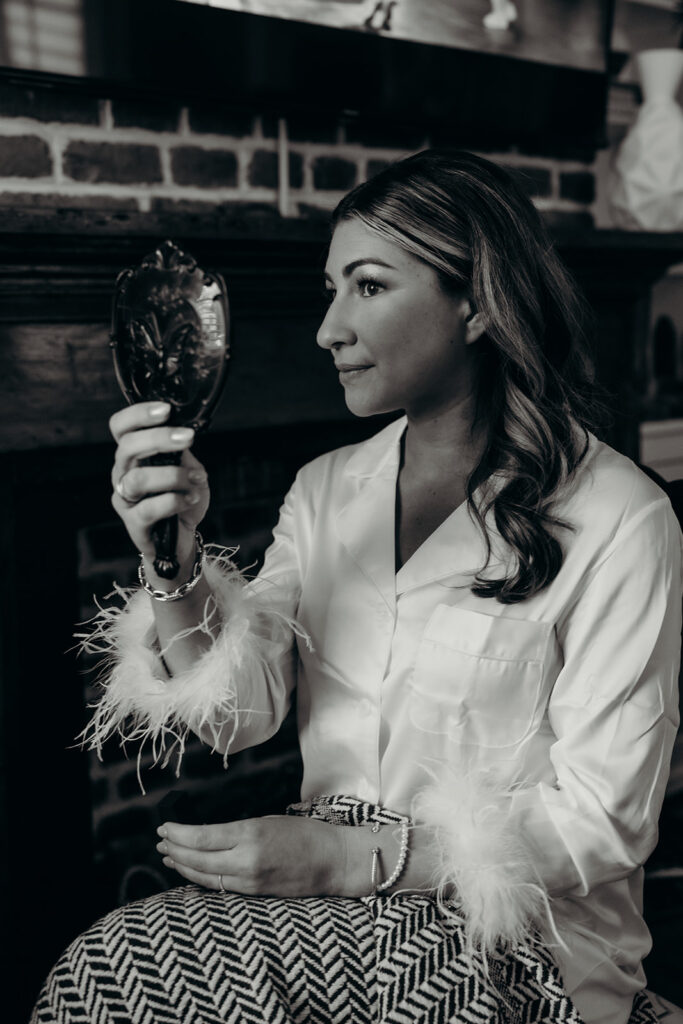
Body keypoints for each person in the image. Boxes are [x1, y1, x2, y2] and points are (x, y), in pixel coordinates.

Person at [31, 150, 682, 1024]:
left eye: (368, 287)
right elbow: (241, 713)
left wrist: (351, 861)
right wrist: (172, 562)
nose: (327, 328)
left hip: (525, 934)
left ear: (478, 302)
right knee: (113, 967)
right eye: (330, 288)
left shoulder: (619, 517)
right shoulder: (326, 487)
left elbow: (604, 819)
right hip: (330, 914)